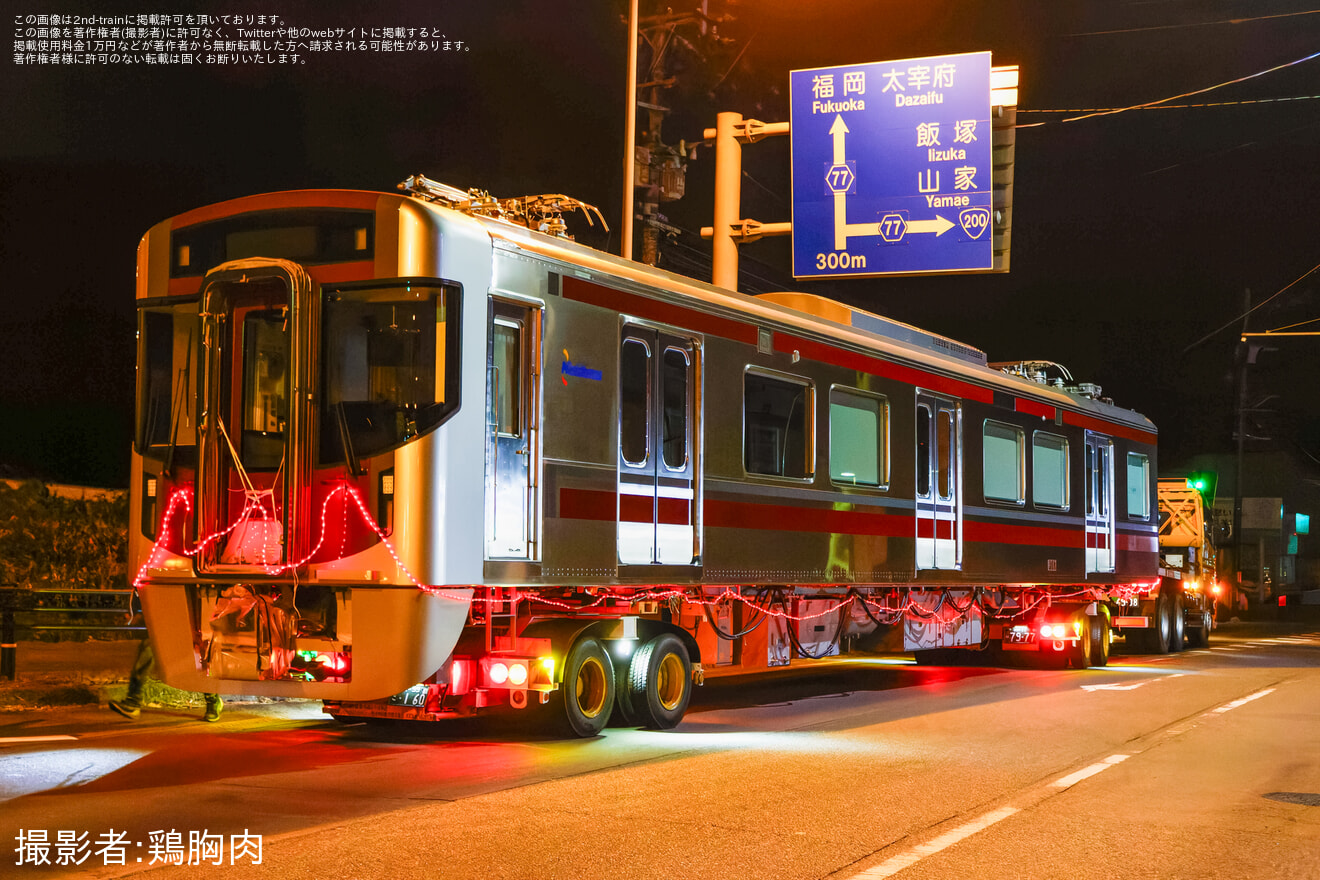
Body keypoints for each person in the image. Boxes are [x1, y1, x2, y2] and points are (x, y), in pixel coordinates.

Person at [108, 594, 222, 722]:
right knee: (147, 648)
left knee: (199, 656)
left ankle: (212, 700)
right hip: (169, 620)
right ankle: (133, 701)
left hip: (190, 620)